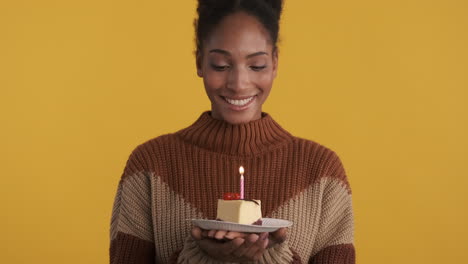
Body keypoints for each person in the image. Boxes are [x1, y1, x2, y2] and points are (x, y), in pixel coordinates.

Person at [109, 0, 355, 263]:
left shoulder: (321, 172)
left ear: (274, 63)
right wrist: (198, 256)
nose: (238, 84)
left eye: (256, 66)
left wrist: (271, 257)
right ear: (200, 62)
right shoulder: (150, 166)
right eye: (221, 65)